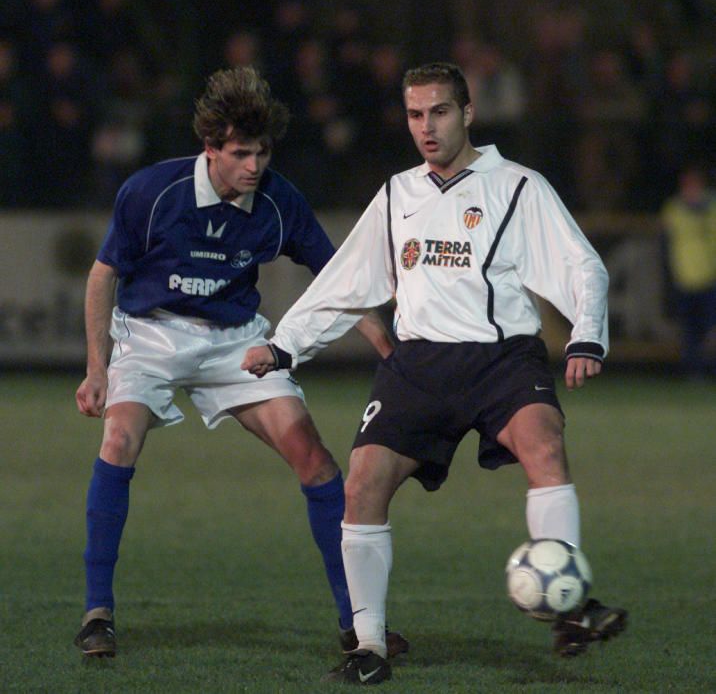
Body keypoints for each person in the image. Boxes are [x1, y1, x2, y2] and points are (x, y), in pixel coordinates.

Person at [242, 62, 628, 685]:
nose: (427, 126)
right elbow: (347, 280)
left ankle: (570, 610)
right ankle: (368, 647)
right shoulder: (398, 194)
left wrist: (587, 334)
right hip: (419, 363)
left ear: (467, 113)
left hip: (504, 359)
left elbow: (582, 265)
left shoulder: (518, 185)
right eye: (416, 114)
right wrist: (286, 345)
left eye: (440, 112)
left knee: (544, 446)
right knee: (362, 485)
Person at [73, 66, 409, 660]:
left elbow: (337, 279)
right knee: (118, 438)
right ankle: (98, 613)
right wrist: (98, 368)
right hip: (150, 337)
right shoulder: (152, 192)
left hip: (235, 344)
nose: (254, 166)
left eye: (262, 152)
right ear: (211, 149)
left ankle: (356, 621)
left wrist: (381, 340)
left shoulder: (280, 200)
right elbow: (104, 276)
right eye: (240, 153)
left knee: (314, 457)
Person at [661, 164, 716, 379]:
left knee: (710, 330)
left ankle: (709, 371)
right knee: (689, 331)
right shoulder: (674, 209)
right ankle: (694, 372)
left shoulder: (712, 207)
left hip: (710, 278)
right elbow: (665, 243)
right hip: (684, 279)